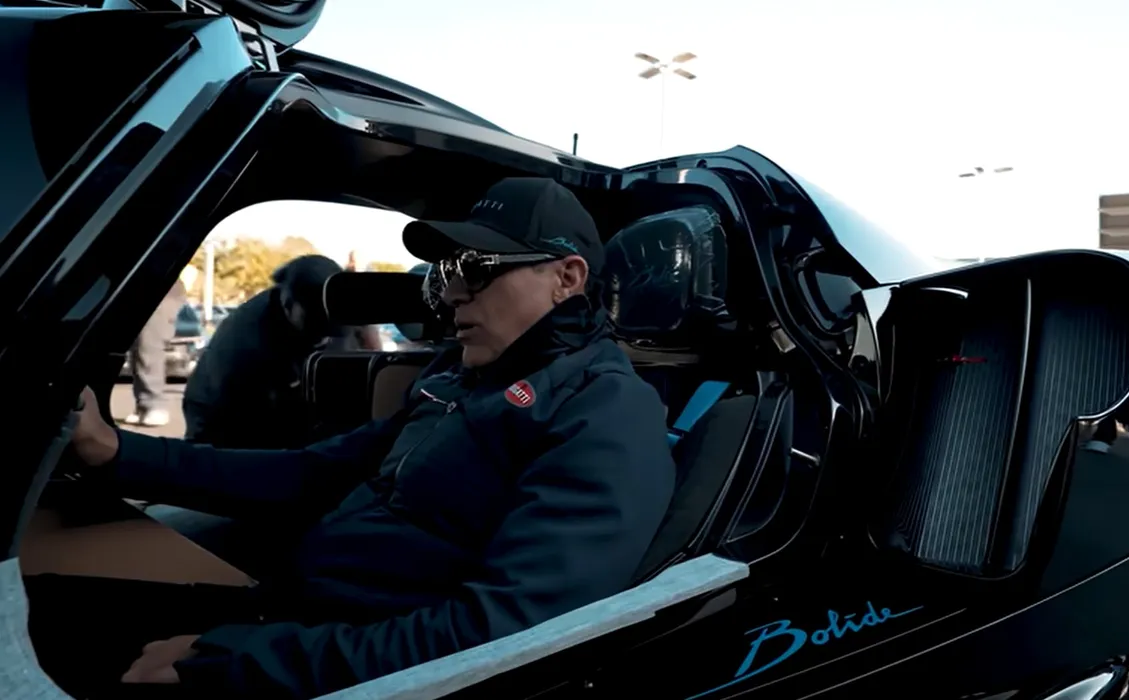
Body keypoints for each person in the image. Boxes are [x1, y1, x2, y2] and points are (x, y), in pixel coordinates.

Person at [54, 177, 675, 699]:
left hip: (347, 666)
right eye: (447, 269)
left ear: (567, 277)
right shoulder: (459, 378)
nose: (450, 292)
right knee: (57, 609)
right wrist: (115, 451)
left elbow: (501, 635)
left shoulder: (604, 412)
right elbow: (311, 474)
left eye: (476, 269)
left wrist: (235, 663)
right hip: (293, 619)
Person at [182, 254, 360, 450]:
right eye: (317, 328)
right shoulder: (246, 344)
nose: (323, 338)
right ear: (288, 304)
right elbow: (261, 426)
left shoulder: (333, 308)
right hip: (222, 416)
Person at [124, 280, 187, 427]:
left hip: (157, 287)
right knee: (137, 348)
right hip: (136, 287)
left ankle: (154, 405)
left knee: (148, 342)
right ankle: (143, 405)